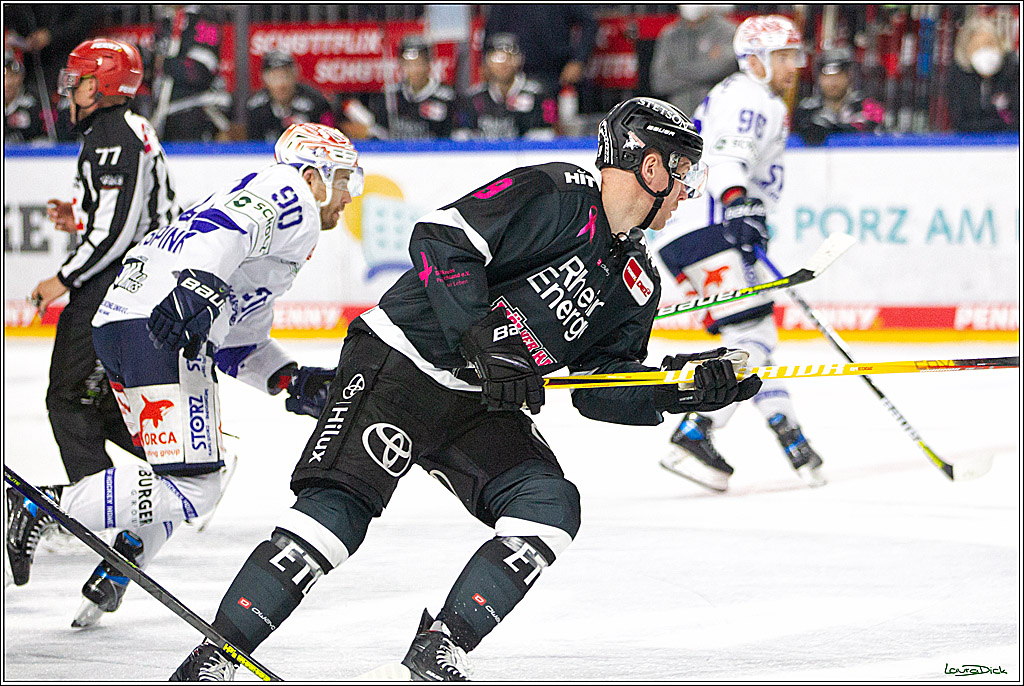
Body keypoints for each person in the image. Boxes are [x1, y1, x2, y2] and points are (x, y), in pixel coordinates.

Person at [169, 96, 761, 681]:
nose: (687, 188)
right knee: (338, 514)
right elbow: (439, 239)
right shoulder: (557, 193)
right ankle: (216, 657)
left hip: (478, 402)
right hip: (399, 362)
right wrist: (481, 336)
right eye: (681, 170)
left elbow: (600, 388)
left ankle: (439, 645)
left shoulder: (637, 281)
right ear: (651, 167)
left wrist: (680, 389)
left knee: (548, 507)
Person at [12, 123, 362, 629]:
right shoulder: (291, 195)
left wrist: (292, 379)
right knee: (197, 487)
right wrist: (196, 281)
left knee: (191, 476)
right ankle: (39, 503)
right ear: (314, 176)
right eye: (344, 179)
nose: (348, 195)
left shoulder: (277, 232)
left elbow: (240, 342)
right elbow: (229, 227)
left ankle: (119, 565)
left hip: (128, 322)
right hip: (159, 325)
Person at [6, 38, 177, 596]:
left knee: (67, 398)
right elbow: (126, 216)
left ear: (101, 85)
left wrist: (63, 279)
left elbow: (117, 233)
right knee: (96, 404)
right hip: (137, 283)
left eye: (78, 80)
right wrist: (77, 215)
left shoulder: (112, 138)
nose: (67, 89)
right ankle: (176, 462)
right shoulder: (125, 131)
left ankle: (89, 505)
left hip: (112, 290)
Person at [653, 15, 827, 493]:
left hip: (695, 234)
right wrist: (738, 204)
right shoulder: (752, 96)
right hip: (709, 230)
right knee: (753, 331)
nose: (794, 65)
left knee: (751, 336)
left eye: (795, 55)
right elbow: (730, 157)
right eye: (783, 56)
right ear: (754, 59)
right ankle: (695, 430)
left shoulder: (745, 93)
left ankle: (790, 435)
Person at [149, 5, 232, 141]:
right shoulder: (165, 20)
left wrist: (162, 63)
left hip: (199, 110)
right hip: (165, 115)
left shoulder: (206, 20)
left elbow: (198, 73)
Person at [483, 4, 597, 103]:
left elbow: (589, 23)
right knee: (514, 121)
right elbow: (492, 29)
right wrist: (486, 61)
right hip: (514, 74)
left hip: (555, 74)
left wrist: (578, 60)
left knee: (551, 121)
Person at [456, 33, 556, 140]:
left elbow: (547, 137)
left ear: (520, 60)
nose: (504, 63)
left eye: (510, 57)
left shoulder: (540, 95)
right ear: (487, 62)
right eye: (497, 58)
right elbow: (461, 140)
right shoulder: (471, 98)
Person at [650, 5, 738, 117]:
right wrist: (706, 70)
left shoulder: (727, 31)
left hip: (718, 118)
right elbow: (659, 82)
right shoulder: (669, 35)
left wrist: (676, 69)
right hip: (680, 119)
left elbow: (723, 69)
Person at [372, 34, 458, 139]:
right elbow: (380, 134)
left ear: (429, 64)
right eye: (408, 64)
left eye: (418, 63)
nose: (414, 70)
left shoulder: (446, 98)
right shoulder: (391, 97)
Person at [794, 47, 885, 145]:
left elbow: (878, 140)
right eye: (827, 76)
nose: (833, 82)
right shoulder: (807, 110)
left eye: (838, 75)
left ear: (849, 75)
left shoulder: (867, 107)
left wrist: (835, 129)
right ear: (819, 78)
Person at [947, 15, 1019, 133]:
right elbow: (960, 122)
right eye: (977, 46)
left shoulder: (1014, 70)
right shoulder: (958, 75)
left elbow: (1016, 121)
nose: (984, 50)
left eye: (989, 44)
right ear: (966, 51)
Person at [246, 51, 337, 142]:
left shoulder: (316, 102)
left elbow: (330, 136)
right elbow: (252, 147)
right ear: (264, 79)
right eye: (274, 77)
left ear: (295, 75)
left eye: (286, 76)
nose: (281, 84)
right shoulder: (255, 106)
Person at [4, 49, 48, 143]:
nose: (8, 82)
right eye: (4, 75)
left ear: (21, 77)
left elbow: (44, 140)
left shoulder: (34, 104)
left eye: (13, 75)